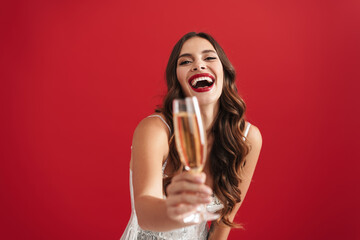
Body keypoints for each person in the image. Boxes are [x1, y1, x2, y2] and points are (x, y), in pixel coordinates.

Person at [120, 32, 262, 240]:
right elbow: (145, 213)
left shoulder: (247, 138)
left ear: (225, 72)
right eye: (186, 61)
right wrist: (177, 212)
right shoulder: (155, 130)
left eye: (209, 57)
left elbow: (222, 226)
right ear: (177, 79)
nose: (198, 65)